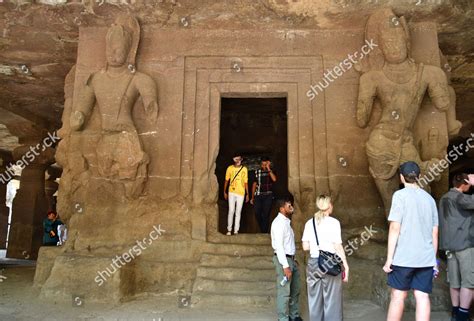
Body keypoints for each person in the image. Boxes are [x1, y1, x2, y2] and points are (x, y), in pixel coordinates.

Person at [383, 161, 439, 321]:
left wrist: (389, 259)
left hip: (403, 258)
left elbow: (394, 228)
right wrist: (433, 260)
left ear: (401, 177)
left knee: (398, 297)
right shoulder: (430, 199)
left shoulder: (399, 196)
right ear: (419, 176)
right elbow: (435, 233)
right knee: (422, 297)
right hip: (425, 259)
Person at [302, 195, 349, 321]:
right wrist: (345, 264)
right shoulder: (334, 223)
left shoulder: (309, 223)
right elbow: (337, 246)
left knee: (314, 300)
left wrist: (316, 245)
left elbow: (305, 246)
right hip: (329, 263)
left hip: (313, 263)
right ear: (329, 206)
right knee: (332, 300)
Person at [438, 173, 474, 321]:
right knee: (469, 281)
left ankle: (454, 311)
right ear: (464, 183)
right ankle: (462, 315)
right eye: (469, 183)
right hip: (464, 245)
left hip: (450, 247)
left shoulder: (444, 198)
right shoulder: (459, 197)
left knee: (454, 281)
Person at [271, 198, 303, 321]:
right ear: (281, 209)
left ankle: (294, 316)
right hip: (283, 261)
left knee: (295, 290)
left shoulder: (286, 222)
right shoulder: (278, 223)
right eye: (288, 205)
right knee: (284, 292)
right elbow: (279, 247)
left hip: (290, 260)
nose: (291, 206)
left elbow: (287, 244)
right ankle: (283, 318)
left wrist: (293, 260)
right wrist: (285, 265)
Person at [223, 153, 249, 235]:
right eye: (236, 159)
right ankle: (229, 230)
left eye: (239, 159)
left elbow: (246, 182)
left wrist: (248, 194)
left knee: (238, 212)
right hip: (231, 192)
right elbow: (226, 180)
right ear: (234, 160)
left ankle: (236, 230)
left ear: (241, 160)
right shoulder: (230, 168)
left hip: (241, 193)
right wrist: (224, 191)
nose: (238, 161)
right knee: (231, 210)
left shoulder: (244, 169)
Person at [251, 156, 277, 233]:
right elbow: (254, 185)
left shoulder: (271, 171)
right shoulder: (257, 171)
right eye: (262, 164)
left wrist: (269, 169)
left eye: (265, 164)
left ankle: (264, 232)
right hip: (258, 195)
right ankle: (263, 229)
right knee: (257, 213)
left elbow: (274, 179)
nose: (264, 166)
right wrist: (252, 197)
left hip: (268, 195)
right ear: (260, 164)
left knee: (266, 214)